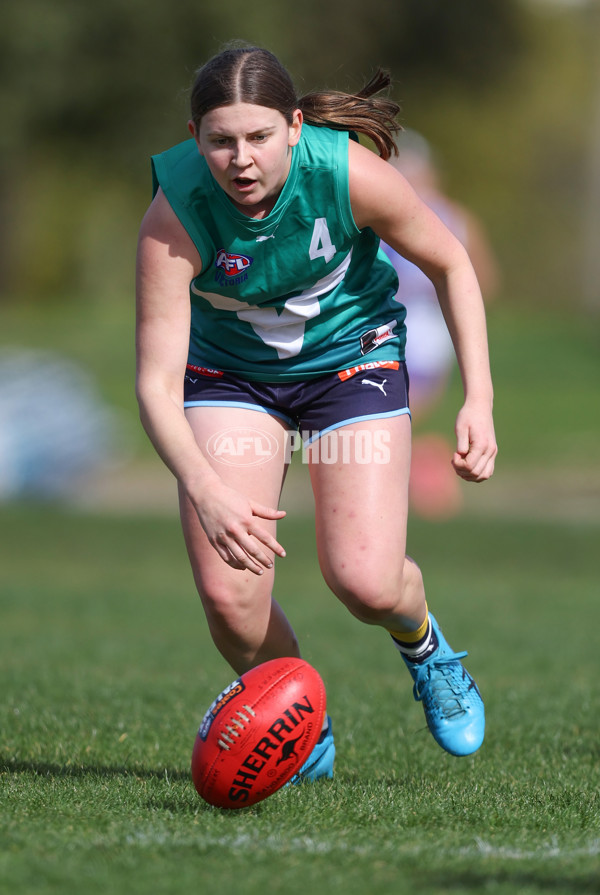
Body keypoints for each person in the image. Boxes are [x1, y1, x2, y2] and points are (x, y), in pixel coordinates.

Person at [135, 45, 497, 782]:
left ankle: (426, 645)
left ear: (295, 126)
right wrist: (206, 488)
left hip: (349, 366)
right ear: (196, 137)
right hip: (233, 379)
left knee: (365, 580)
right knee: (231, 599)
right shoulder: (173, 214)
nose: (241, 158)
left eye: (259, 136)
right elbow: (154, 382)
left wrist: (480, 399)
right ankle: (299, 723)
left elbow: (452, 263)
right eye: (221, 140)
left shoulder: (346, 173)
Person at [381, 131, 500, 519]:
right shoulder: (377, 212)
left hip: (430, 326)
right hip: (384, 321)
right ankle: (413, 465)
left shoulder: (453, 217)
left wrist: (448, 295)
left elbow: (483, 277)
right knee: (391, 405)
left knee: (403, 404)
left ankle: (415, 466)